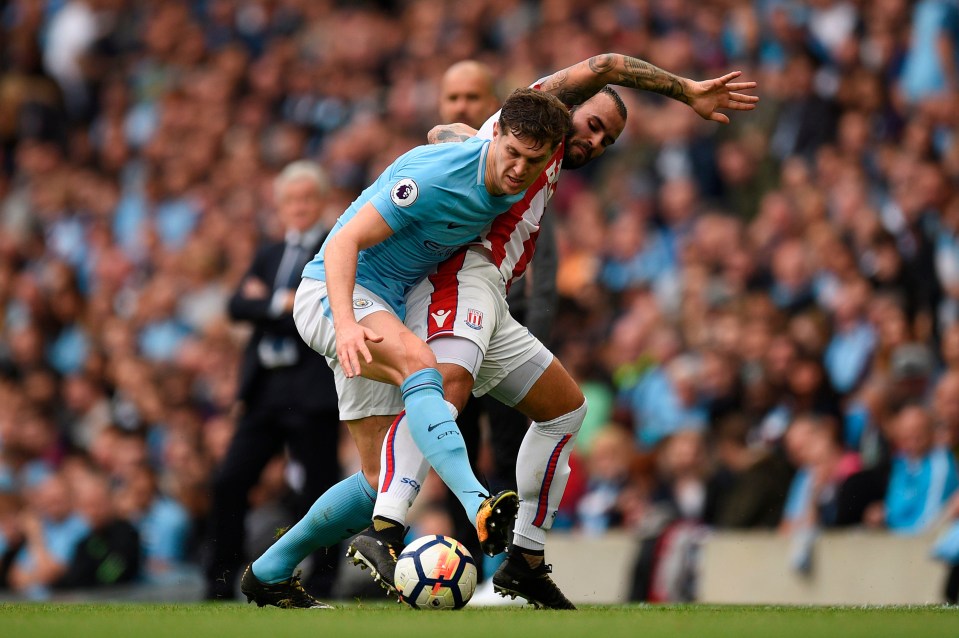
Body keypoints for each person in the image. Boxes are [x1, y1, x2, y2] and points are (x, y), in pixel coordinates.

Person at [343, 54, 756, 609]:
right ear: (566, 111)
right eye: (593, 125)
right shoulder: (534, 135)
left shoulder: (538, 155)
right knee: (447, 387)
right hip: (463, 273)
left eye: (608, 140)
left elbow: (447, 132)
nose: (596, 141)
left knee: (566, 409)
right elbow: (606, 63)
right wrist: (686, 91)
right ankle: (386, 529)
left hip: (489, 289)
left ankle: (526, 560)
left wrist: (456, 133)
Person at [238, 88, 572, 609]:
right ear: (498, 136)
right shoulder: (436, 179)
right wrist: (346, 323)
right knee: (424, 366)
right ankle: (478, 501)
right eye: (512, 153)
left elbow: (453, 132)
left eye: (533, 160)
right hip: (337, 295)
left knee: (379, 481)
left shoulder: (516, 162)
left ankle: (270, 570)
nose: (519, 169)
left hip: (386, 308)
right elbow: (344, 240)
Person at [436, 60, 560, 575]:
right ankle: (461, 567)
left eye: (472, 97)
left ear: (494, 109)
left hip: (509, 332)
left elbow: (543, 266)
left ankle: (504, 569)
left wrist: (538, 339)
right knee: (453, 453)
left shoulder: (521, 177)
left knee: (510, 457)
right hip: (450, 332)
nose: (462, 107)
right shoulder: (440, 166)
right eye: (453, 98)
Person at [204, 160, 342, 600]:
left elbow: (319, 314)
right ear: (279, 206)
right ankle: (219, 580)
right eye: (291, 199)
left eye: (307, 198)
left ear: (321, 203)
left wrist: (272, 305)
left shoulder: (334, 246)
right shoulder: (267, 253)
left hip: (312, 390)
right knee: (230, 480)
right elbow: (235, 307)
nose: (299, 207)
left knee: (320, 491)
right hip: (265, 389)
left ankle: (322, 581)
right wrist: (283, 305)